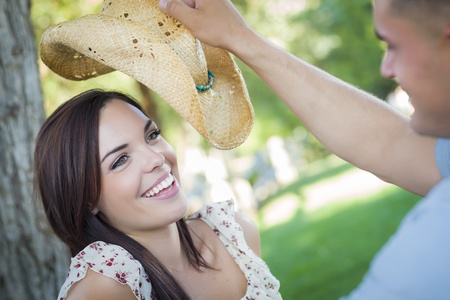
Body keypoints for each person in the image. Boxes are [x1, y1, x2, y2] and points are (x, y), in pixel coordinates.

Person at [158, 0, 450, 299]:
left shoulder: (434, 244)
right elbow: (387, 142)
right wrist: (239, 38)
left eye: (394, 45)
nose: (387, 68)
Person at [33, 89, 281, 300]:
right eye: (120, 160)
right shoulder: (107, 285)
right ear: (87, 200)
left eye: (151, 136)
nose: (157, 158)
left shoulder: (234, 235)